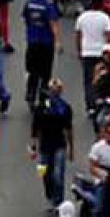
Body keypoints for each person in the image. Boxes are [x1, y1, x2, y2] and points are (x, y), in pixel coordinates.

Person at [30, 78, 76, 209]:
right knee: (43, 172)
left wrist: (71, 149)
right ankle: (50, 194)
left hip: (59, 146)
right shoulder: (42, 107)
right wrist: (33, 146)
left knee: (58, 174)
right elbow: (35, 127)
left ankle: (58, 201)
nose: (55, 93)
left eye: (58, 90)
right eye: (52, 90)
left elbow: (69, 129)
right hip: (44, 146)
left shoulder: (65, 108)